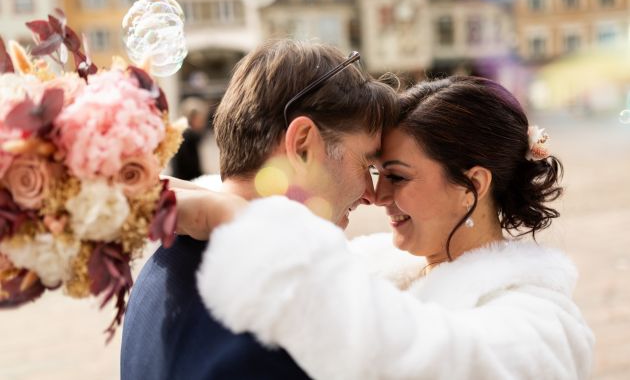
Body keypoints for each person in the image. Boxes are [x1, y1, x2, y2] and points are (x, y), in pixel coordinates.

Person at [178, 76, 594, 379]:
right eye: (374, 172)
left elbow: (431, 357)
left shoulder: (542, 324)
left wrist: (234, 219)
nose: (376, 196)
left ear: (472, 186)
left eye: (396, 176)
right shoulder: (370, 262)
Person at [120, 39, 398, 380]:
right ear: (302, 145)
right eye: (367, 164)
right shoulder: (270, 332)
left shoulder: (166, 259)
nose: (373, 195)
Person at [170, 97, 208, 181]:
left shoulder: (181, 133)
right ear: (192, 119)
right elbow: (192, 168)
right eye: (200, 119)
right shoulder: (189, 137)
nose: (203, 123)